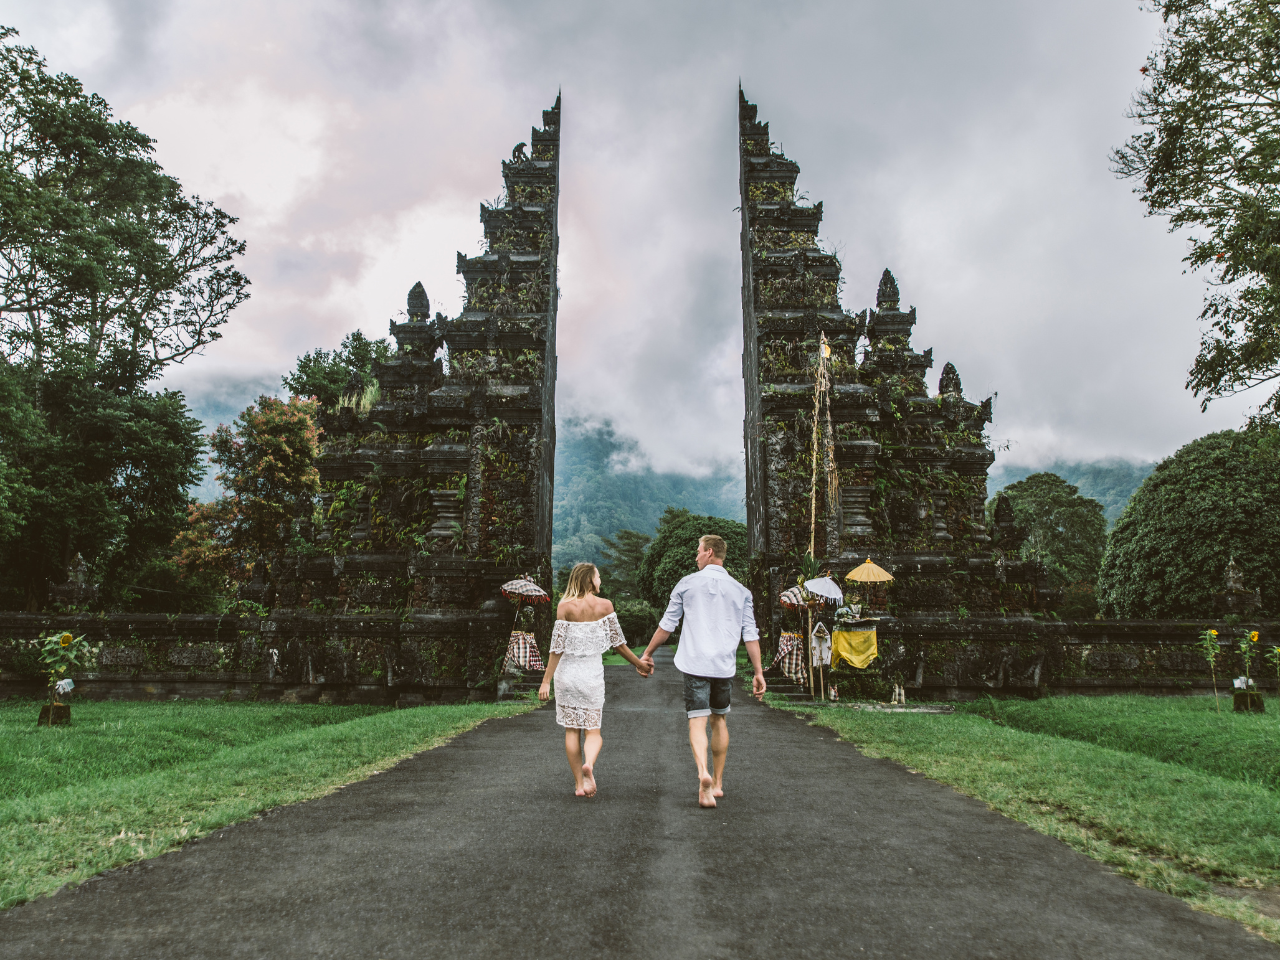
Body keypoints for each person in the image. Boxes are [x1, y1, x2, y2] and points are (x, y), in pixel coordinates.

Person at [639, 534, 765, 808]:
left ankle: (702, 773)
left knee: (697, 721)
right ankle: (717, 783)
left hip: (695, 664)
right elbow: (750, 634)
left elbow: (667, 625)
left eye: (698, 551)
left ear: (709, 552)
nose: (695, 556)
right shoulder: (741, 591)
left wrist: (647, 654)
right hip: (723, 666)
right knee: (719, 720)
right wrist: (758, 672)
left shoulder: (687, 584)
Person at [538, 562, 652, 797]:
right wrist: (639, 664)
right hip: (591, 676)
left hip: (567, 676)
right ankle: (589, 763)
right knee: (593, 731)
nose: (600, 581)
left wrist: (546, 681)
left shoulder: (564, 607)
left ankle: (579, 785)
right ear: (590, 580)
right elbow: (619, 644)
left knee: (572, 731)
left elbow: (556, 648)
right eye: (598, 577)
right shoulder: (605, 606)